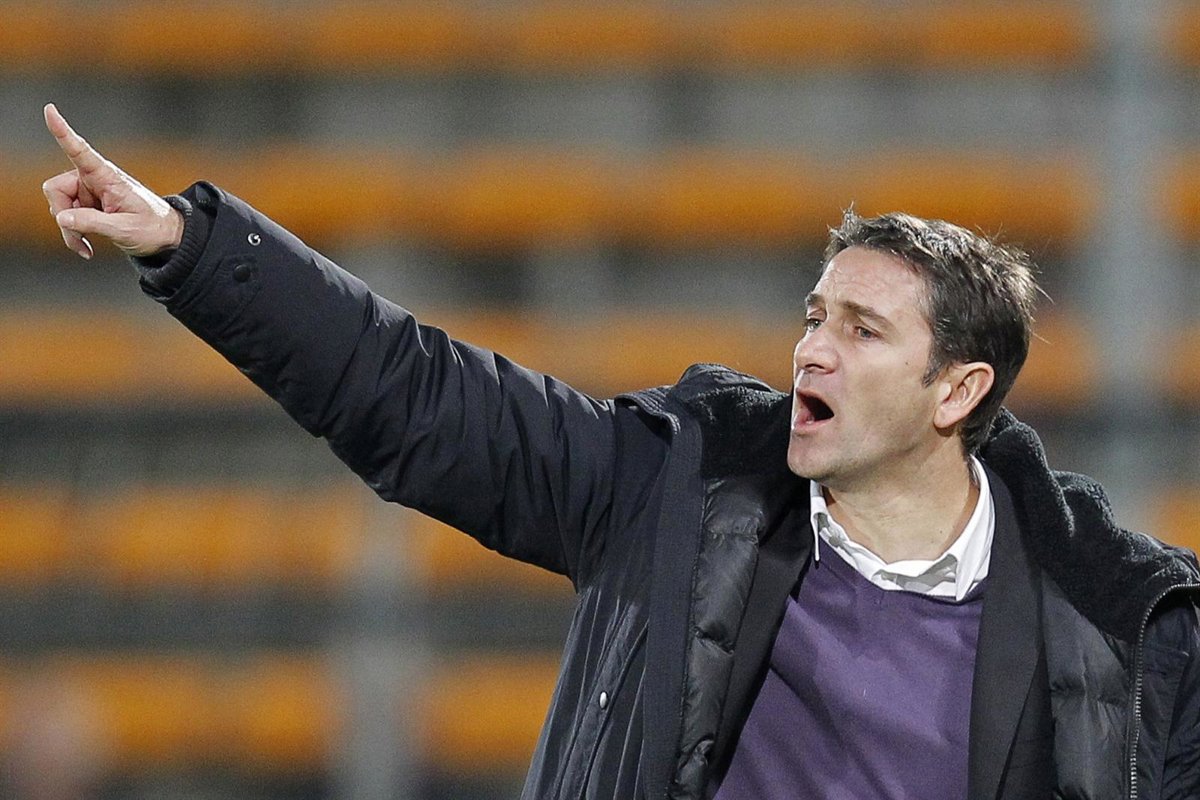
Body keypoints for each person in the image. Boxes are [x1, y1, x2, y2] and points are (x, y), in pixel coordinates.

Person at [41, 102, 1200, 799]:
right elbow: (422, 395)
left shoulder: (1127, 628)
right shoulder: (679, 488)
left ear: (958, 389)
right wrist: (194, 247)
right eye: (813, 315)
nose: (811, 349)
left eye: (861, 330)